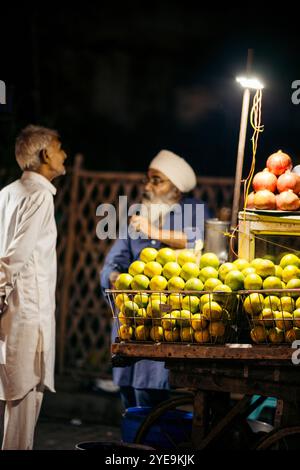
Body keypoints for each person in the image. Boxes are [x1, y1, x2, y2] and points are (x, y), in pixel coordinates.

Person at [100, 149, 212, 409]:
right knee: (128, 396)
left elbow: (199, 241)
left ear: (175, 187)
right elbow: (113, 262)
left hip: (165, 317)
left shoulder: (194, 210)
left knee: (152, 396)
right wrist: (114, 277)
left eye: (156, 180)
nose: (148, 186)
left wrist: (155, 231)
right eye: (147, 179)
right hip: (131, 315)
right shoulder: (139, 216)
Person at [0, 125, 67, 449]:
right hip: (27, 314)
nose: (64, 154)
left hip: (12, 315)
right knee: (24, 403)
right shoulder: (39, 196)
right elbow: (15, 257)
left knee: (9, 401)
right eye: (59, 147)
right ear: (45, 155)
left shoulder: (7, 193)